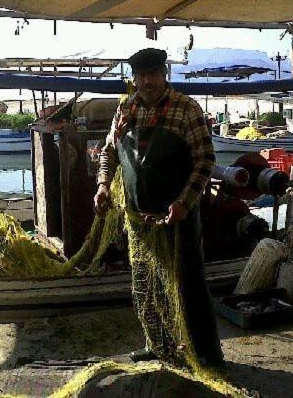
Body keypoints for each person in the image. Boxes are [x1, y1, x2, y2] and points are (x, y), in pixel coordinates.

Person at [94, 48, 224, 369]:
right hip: (140, 222)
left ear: (164, 74)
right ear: (134, 79)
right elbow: (109, 152)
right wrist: (102, 185)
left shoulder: (186, 109)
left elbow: (205, 159)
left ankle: (206, 354)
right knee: (147, 283)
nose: (147, 81)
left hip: (178, 218)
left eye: (153, 74)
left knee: (188, 285)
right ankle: (158, 345)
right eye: (141, 76)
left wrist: (183, 202)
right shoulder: (126, 109)